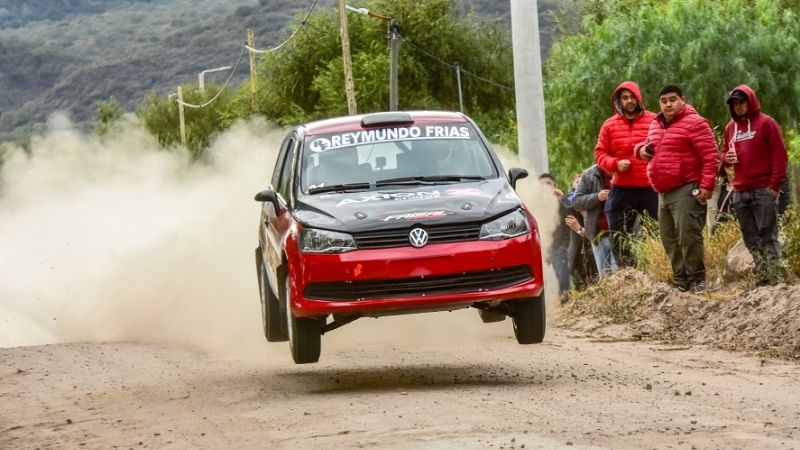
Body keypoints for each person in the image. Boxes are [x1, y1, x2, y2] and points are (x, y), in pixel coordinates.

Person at [637, 85, 720, 293]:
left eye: (672, 99)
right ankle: (681, 282)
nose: (668, 104)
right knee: (669, 239)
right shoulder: (656, 124)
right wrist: (641, 150)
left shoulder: (696, 123)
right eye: (663, 101)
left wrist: (707, 186)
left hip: (686, 188)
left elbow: (711, 156)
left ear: (683, 99)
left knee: (688, 237)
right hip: (663, 193)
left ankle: (697, 281)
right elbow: (646, 145)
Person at [722, 85, 788, 286]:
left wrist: (774, 186)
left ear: (750, 101)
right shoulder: (729, 128)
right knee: (751, 238)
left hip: (763, 189)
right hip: (740, 191)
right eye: (735, 103)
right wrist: (726, 158)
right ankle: (763, 278)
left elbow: (780, 156)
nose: (739, 106)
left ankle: (775, 280)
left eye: (742, 102)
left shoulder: (767, 123)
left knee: (768, 235)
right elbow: (724, 154)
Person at [594, 81, 658, 267]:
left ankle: (655, 266)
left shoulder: (654, 120)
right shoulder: (609, 125)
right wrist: (614, 164)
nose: (629, 101)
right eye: (625, 98)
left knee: (655, 230)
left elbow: (665, 146)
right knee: (618, 232)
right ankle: (627, 270)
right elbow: (600, 152)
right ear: (619, 101)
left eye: (632, 97)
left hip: (650, 186)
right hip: (622, 187)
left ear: (639, 98)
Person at [571, 164, 618, 278]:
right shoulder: (589, 174)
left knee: (619, 273)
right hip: (598, 236)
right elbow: (576, 202)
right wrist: (597, 197)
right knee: (605, 277)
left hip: (620, 234)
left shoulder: (623, 169)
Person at [539, 173, 571, 296]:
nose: (546, 187)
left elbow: (573, 214)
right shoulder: (535, 202)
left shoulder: (561, 200)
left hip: (559, 246)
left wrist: (562, 199)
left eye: (549, 184)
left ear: (554, 185)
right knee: (544, 282)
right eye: (543, 184)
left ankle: (565, 302)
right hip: (542, 248)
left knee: (562, 279)